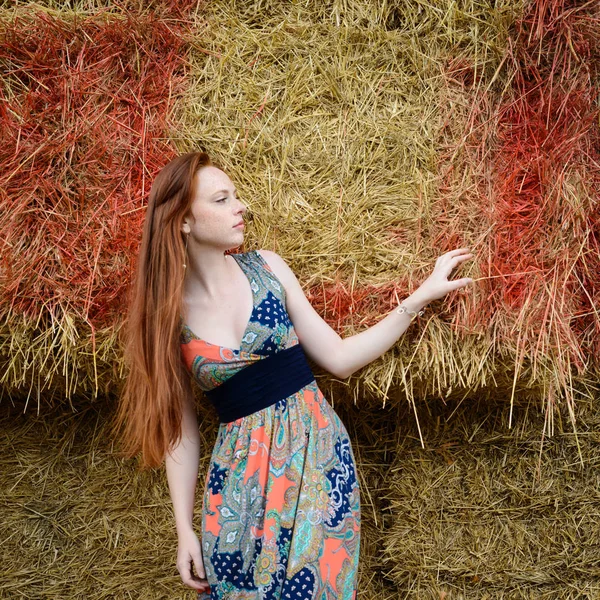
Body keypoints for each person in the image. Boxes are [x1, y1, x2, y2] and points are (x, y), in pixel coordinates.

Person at [110, 151, 474, 599]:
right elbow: (180, 431)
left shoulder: (268, 268)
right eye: (222, 200)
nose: (240, 207)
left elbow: (339, 358)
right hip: (238, 484)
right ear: (183, 221)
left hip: (315, 457)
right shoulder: (167, 315)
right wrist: (184, 529)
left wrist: (420, 297)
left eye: (236, 196)